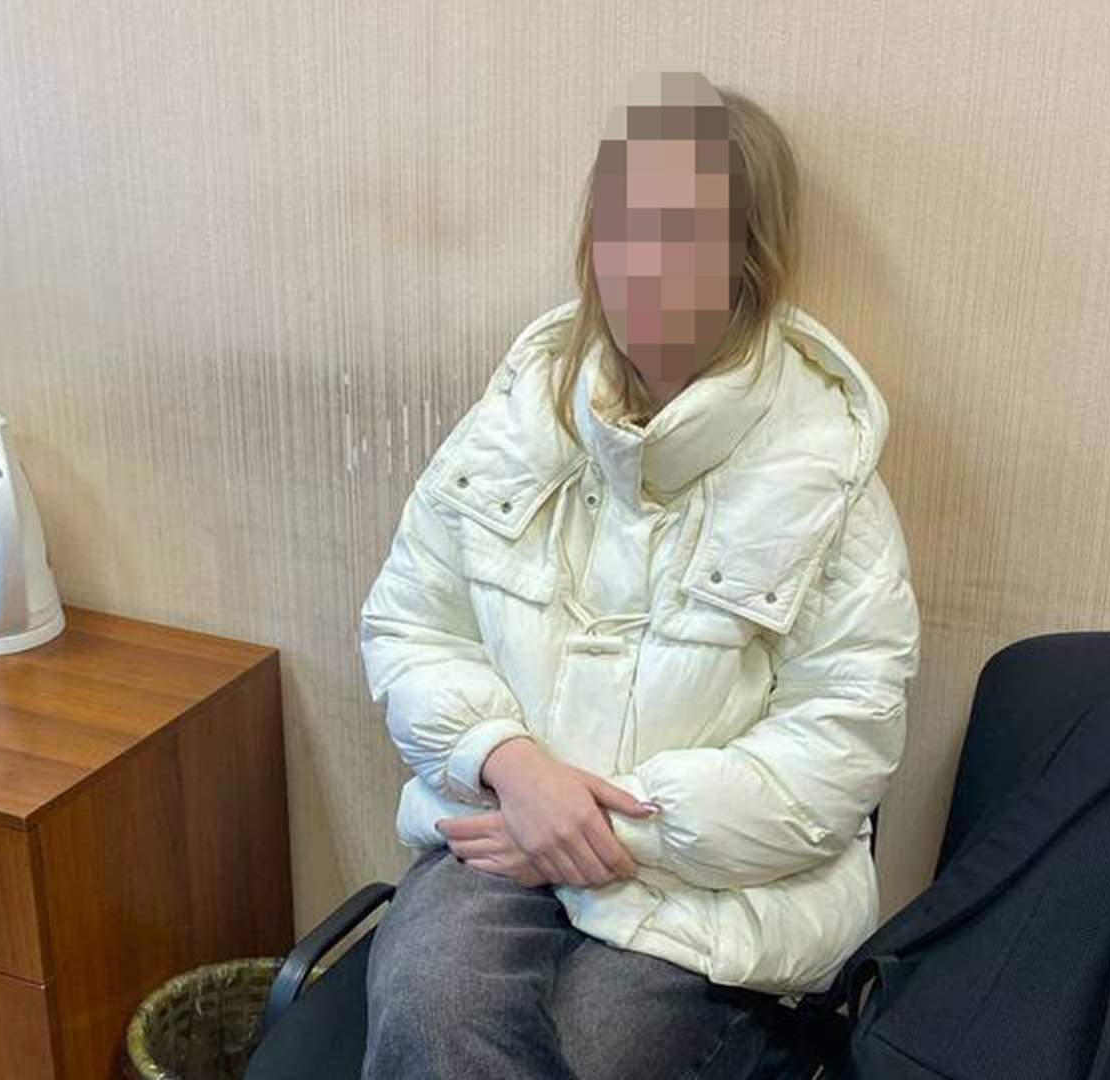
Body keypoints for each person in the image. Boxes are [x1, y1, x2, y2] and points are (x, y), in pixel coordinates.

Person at [355, 71, 921, 1080]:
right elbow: (409, 625)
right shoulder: (517, 416)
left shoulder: (825, 472)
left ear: (749, 260)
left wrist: (607, 828)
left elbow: (840, 745)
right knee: (430, 1005)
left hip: (709, 887)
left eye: (686, 235)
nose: (644, 265)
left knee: (599, 1052)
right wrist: (511, 765)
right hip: (501, 825)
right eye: (625, 227)